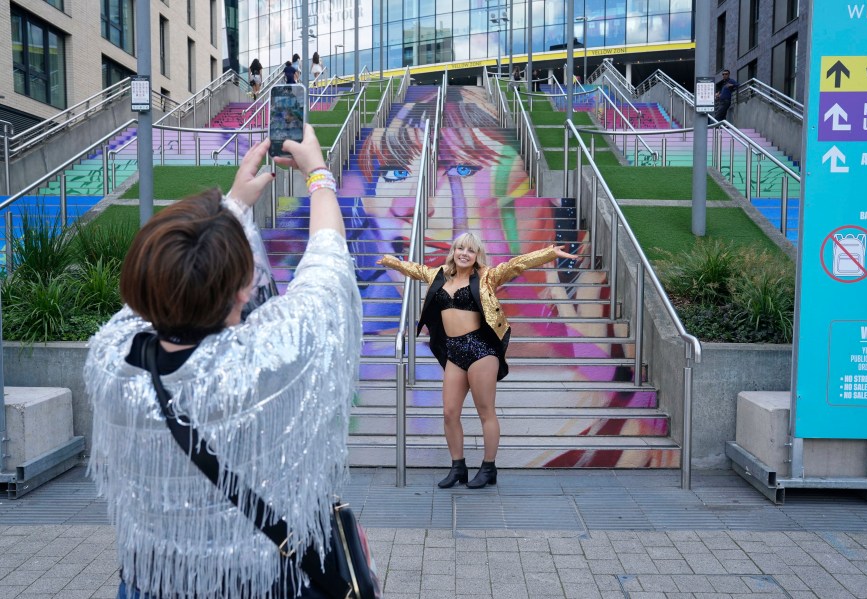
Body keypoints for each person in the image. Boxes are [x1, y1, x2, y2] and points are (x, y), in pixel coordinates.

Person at [86, 125, 362, 598]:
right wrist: (318, 174)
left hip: (151, 581)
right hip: (255, 583)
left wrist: (231, 206)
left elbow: (157, 289)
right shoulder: (265, 359)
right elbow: (328, 268)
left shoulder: (111, 358)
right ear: (242, 291)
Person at [376, 234, 578, 489]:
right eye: (460, 248)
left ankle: (488, 467)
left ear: (476, 256)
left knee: (485, 412)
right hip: (454, 350)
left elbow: (516, 264)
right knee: (450, 413)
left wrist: (549, 253)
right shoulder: (439, 275)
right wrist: (393, 262)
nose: (464, 253)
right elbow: (416, 270)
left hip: (481, 349)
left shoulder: (486, 277)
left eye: (470, 250)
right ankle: (458, 466)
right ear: (453, 251)